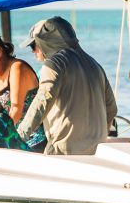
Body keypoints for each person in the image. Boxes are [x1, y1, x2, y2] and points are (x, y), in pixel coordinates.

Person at [18, 16, 118, 155]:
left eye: (33, 45)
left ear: (45, 41)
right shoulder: (95, 65)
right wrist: (99, 135)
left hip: (65, 151)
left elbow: (42, 102)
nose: (33, 51)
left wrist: (19, 136)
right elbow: (112, 109)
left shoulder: (55, 64)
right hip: (96, 150)